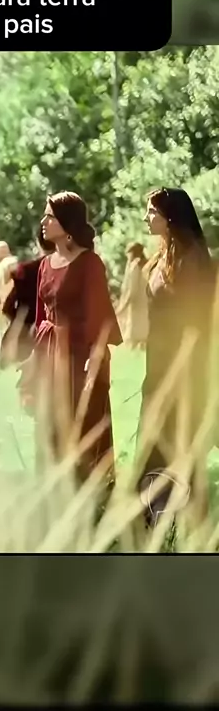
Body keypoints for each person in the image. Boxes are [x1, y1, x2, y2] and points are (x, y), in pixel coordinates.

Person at [19, 192, 122, 483]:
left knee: (83, 425)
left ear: (67, 223)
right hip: (49, 356)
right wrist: (33, 359)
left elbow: (99, 313)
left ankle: (91, 493)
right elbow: (41, 316)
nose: (43, 221)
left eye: (49, 216)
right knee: (48, 425)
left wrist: (95, 356)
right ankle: (52, 491)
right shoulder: (45, 265)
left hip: (80, 356)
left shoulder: (90, 263)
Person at [136, 188, 216, 526]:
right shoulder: (161, 257)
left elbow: (198, 321)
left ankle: (186, 520)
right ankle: (156, 516)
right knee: (154, 440)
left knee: (178, 441)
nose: (146, 217)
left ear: (171, 217)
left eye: (152, 212)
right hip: (158, 364)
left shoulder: (193, 259)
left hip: (182, 369)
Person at [0, 228, 55, 370]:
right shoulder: (76, 270)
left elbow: (7, 308)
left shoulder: (26, 271)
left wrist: (20, 322)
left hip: (27, 338)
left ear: (38, 243)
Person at [116, 242, 149, 350]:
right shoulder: (147, 264)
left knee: (134, 339)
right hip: (146, 304)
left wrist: (122, 307)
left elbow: (132, 290)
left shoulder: (135, 266)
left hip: (136, 306)